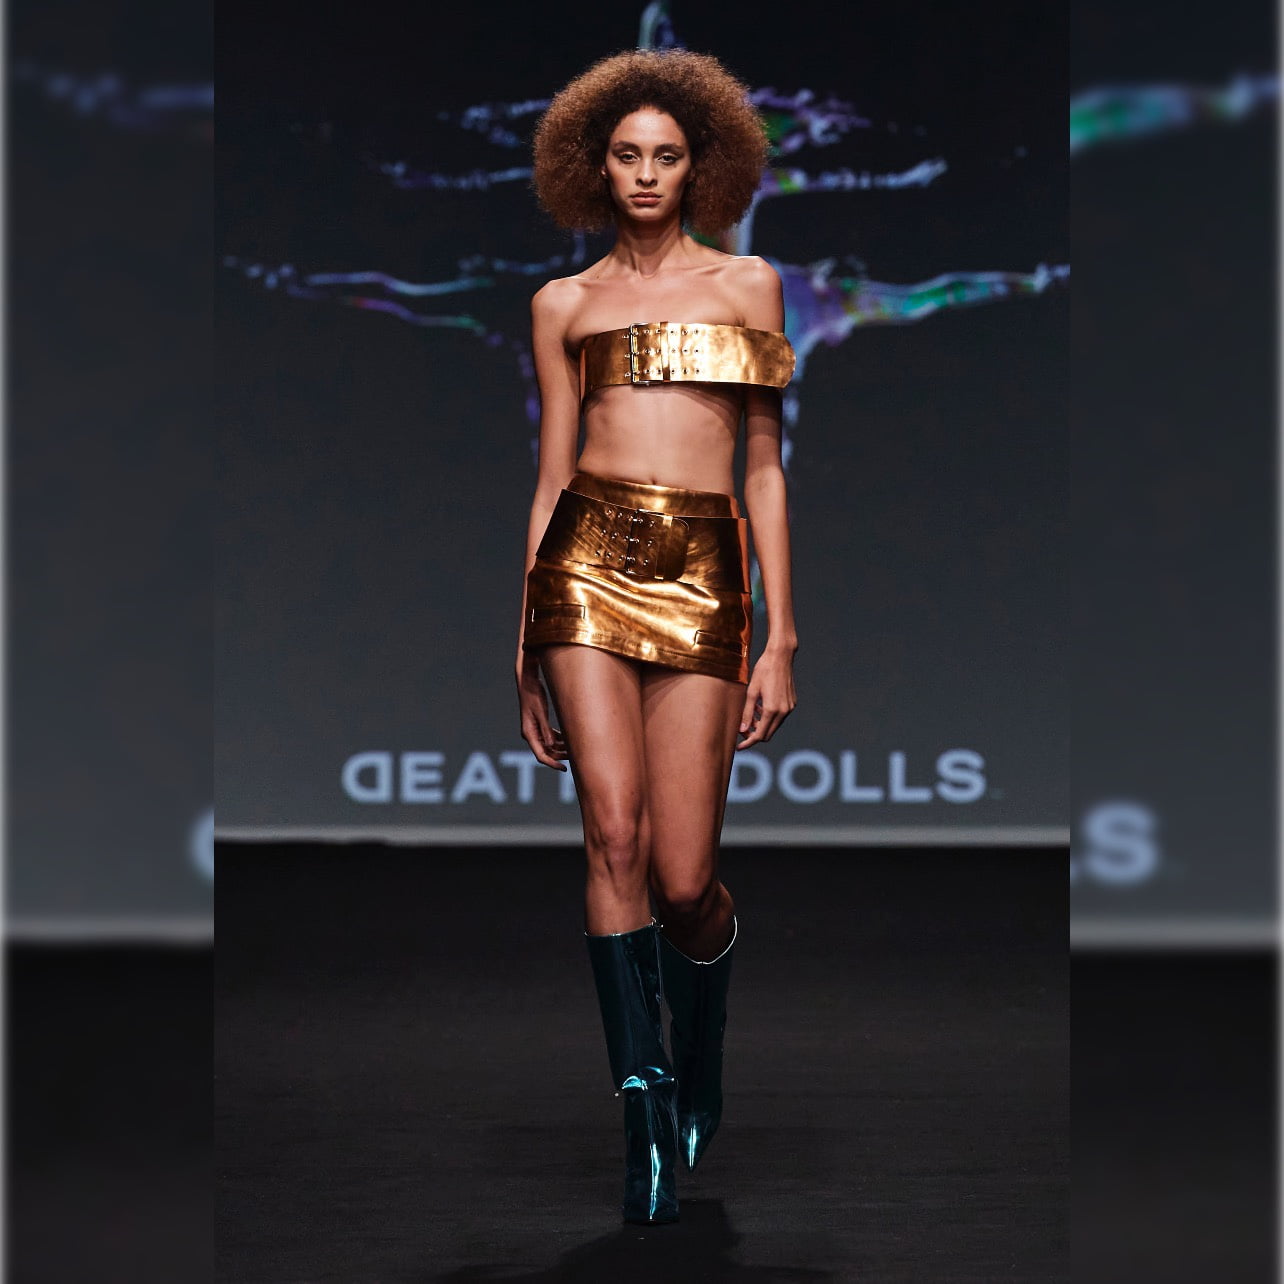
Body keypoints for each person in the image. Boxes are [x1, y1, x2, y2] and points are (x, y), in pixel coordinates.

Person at [516, 47, 798, 1225]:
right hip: (585, 558)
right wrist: (522, 639)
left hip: (704, 564)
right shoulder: (563, 304)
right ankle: (643, 1109)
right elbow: (549, 477)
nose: (645, 174)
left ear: (700, 166)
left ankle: (701, 1053)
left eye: (666, 156)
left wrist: (781, 636)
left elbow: (765, 466)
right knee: (613, 832)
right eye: (627, 155)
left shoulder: (748, 285)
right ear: (594, 165)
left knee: (685, 881)